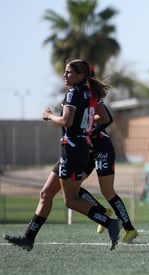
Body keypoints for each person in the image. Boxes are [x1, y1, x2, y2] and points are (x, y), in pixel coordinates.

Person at [3, 59, 120, 251]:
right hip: (77, 148)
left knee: (70, 200)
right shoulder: (89, 92)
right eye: (65, 72)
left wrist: (49, 116)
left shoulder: (74, 93)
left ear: (81, 75)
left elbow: (66, 121)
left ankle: (109, 223)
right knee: (45, 193)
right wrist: (85, 128)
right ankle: (28, 238)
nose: (64, 75)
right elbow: (105, 118)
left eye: (69, 72)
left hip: (73, 149)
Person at [79, 99, 138, 243]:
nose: (66, 76)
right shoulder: (72, 97)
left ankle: (129, 229)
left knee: (107, 191)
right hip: (88, 151)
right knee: (71, 186)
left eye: (69, 73)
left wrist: (88, 121)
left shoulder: (87, 95)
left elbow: (106, 118)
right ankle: (103, 211)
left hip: (102, 148)